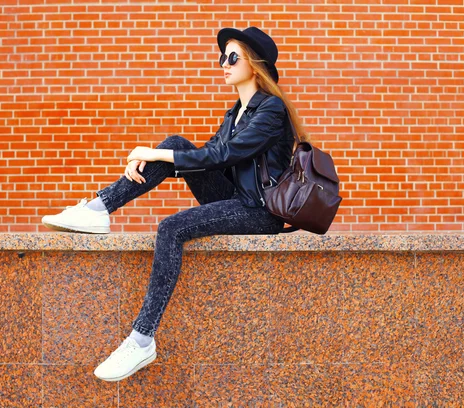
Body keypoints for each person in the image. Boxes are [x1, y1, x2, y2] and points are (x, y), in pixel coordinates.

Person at [41, 26, 310, 382]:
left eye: (232, 57)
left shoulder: (271, 109)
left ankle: (141, 340)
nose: (223, 64)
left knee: (171, 227)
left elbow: (225, 154)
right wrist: (154, 158)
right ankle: (100, 208)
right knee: (176, 144)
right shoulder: (236, 113)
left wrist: (153, 153)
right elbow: (201, 156)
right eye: (221, 57)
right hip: (235, 199)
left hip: (261, 211)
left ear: (255, 65)